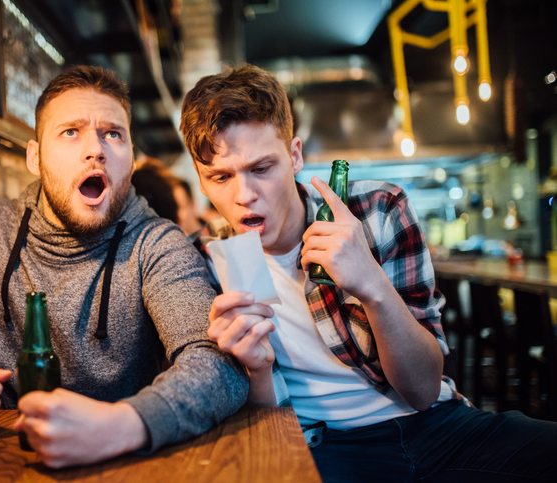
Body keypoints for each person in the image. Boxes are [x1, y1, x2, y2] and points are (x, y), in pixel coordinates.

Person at [180, 64, 557, 482]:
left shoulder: (378, 210)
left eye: (262, 168)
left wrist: (372, 285)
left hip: (433, 424)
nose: (244, 195)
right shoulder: (205, 260)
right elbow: (262, 421)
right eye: (221, 177)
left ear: (294, 156)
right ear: (201, 180)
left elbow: (422, 390)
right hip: (323, 446)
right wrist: (256, 370)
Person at [0, 65, 247, 468]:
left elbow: (216, 364)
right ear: (35, 156)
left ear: (131, 160)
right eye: (71, 132)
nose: (96, 150)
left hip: (127, 462)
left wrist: (116, 427)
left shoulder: (158, 242)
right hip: (9, 458)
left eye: (113, 134)